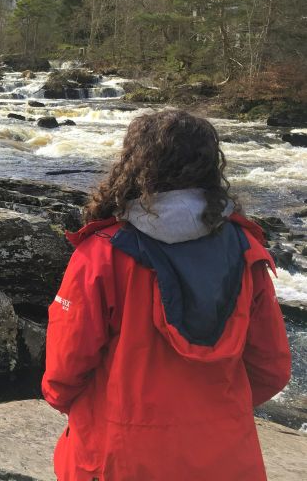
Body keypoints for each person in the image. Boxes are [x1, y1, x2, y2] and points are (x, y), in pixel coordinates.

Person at [42, 109, 291, 481]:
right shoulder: (246, 248)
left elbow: (64, 373)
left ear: (134, 164)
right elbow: (272, 369)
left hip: (121, 457)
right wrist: (214, 410)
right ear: (210, 167)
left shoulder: (101, 253)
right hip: (225, 458)